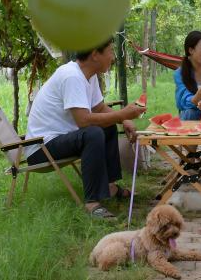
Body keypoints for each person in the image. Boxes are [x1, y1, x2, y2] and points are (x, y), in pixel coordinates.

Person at [25, 38, 145, 219]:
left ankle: (110, 187)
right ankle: (92, 203)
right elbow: (83, 121)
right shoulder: (71, 76)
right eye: (110, 51)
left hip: (60, 140)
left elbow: (99, 108)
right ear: (95, 54)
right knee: (93, 132)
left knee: (107, 127)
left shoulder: (89, 75)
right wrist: (122, 114)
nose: (113, 57)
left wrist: (124, 119)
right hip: (41, 148)